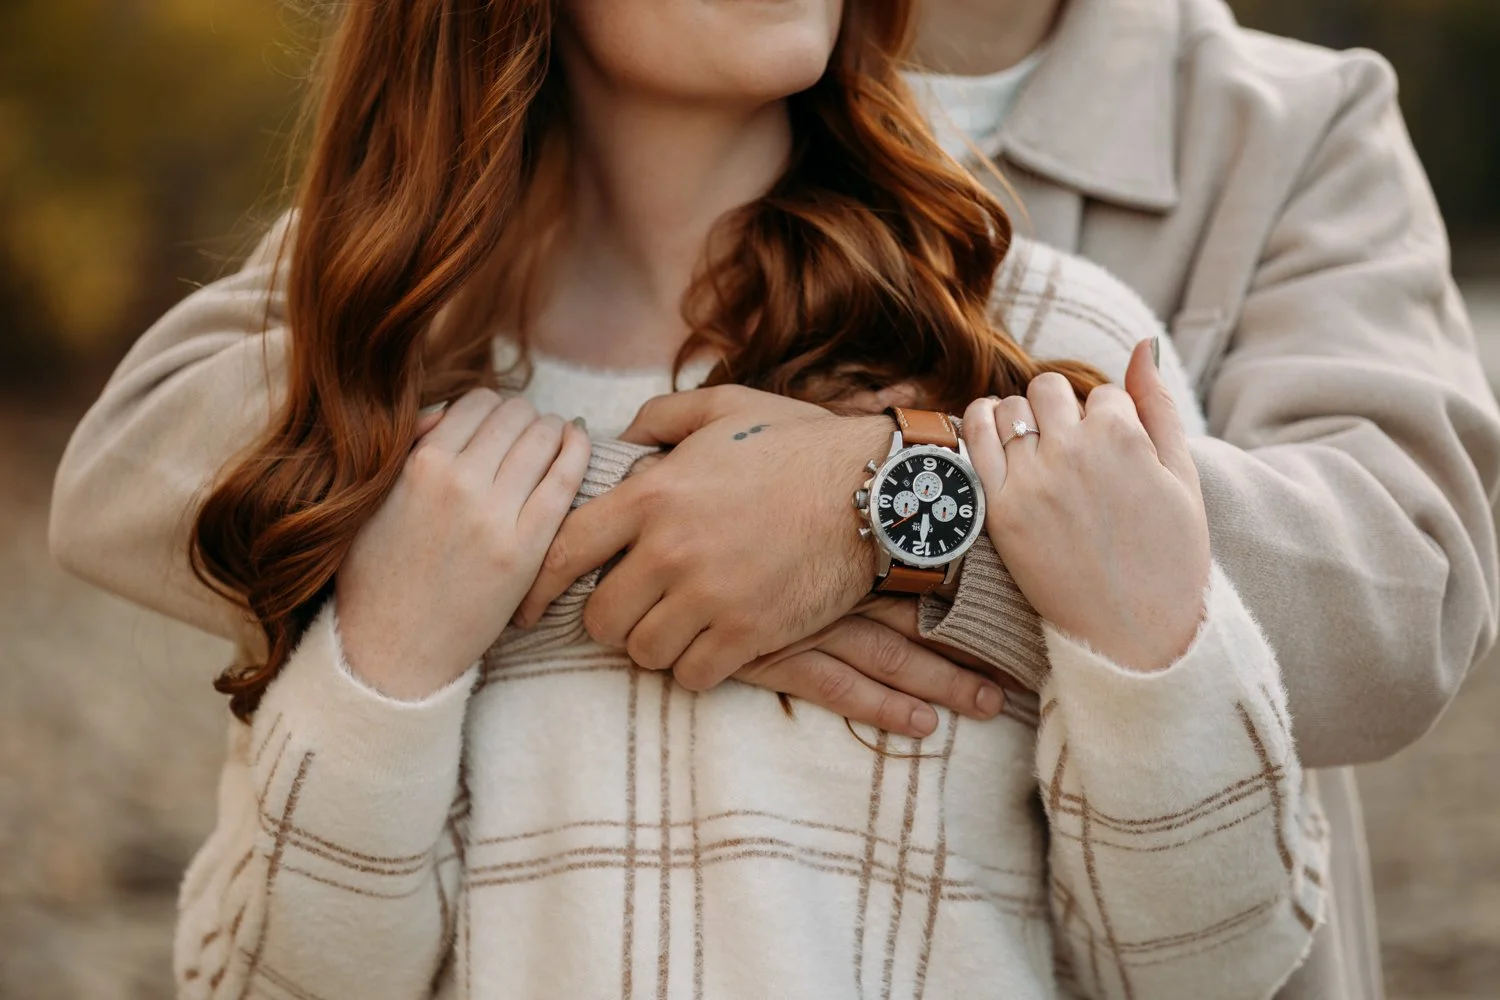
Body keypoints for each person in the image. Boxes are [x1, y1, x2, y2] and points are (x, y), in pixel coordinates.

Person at [47, 0, 1500, 997]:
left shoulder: (1221, 185)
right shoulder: (412, 336)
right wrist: (546, 538)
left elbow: (1403, 598)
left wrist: (891, 505)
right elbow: (153, 454)